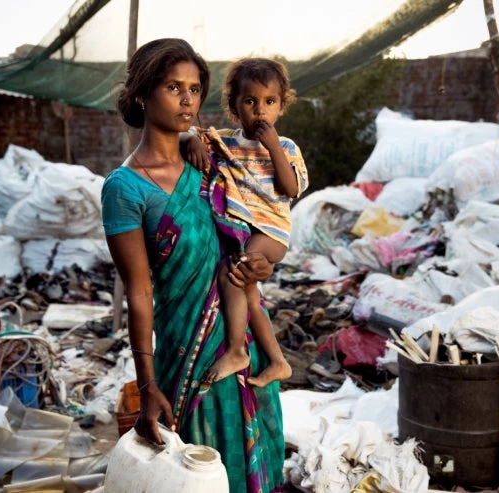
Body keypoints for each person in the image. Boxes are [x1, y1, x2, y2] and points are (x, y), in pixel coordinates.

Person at [101, 39, 285, 493]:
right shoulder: (124, 188)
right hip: (188, 353)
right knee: (196, 473)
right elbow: (139, 293)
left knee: (258, 461)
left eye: (195, 89)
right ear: (144, 93)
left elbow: (255, 225)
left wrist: (260, 266)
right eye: (172, 87)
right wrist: (146, 387)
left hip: (243, 345)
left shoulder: (211, 162)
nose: (187, 100)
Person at [183, 57, 309, 387]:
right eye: (250, 101)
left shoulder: (285, 146)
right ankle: (279, 362)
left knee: (231, 273)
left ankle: (237, 350)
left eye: (269, 102)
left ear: (281, 107)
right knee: (250, 293)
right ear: (235, 107)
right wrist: (191, 139)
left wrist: (273, 149)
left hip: (271, 232)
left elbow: (291, 188)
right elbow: (190, 133)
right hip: (244, 230)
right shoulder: (227, 140)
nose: (259, 111)